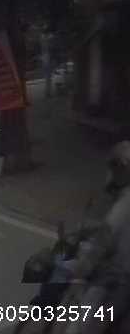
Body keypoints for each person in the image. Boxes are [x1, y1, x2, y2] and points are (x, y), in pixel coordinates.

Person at [64, 141, 130, 334]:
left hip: (117, 280)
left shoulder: (125, 202)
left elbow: (105, 237)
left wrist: (82, 269)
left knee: (81, 327)